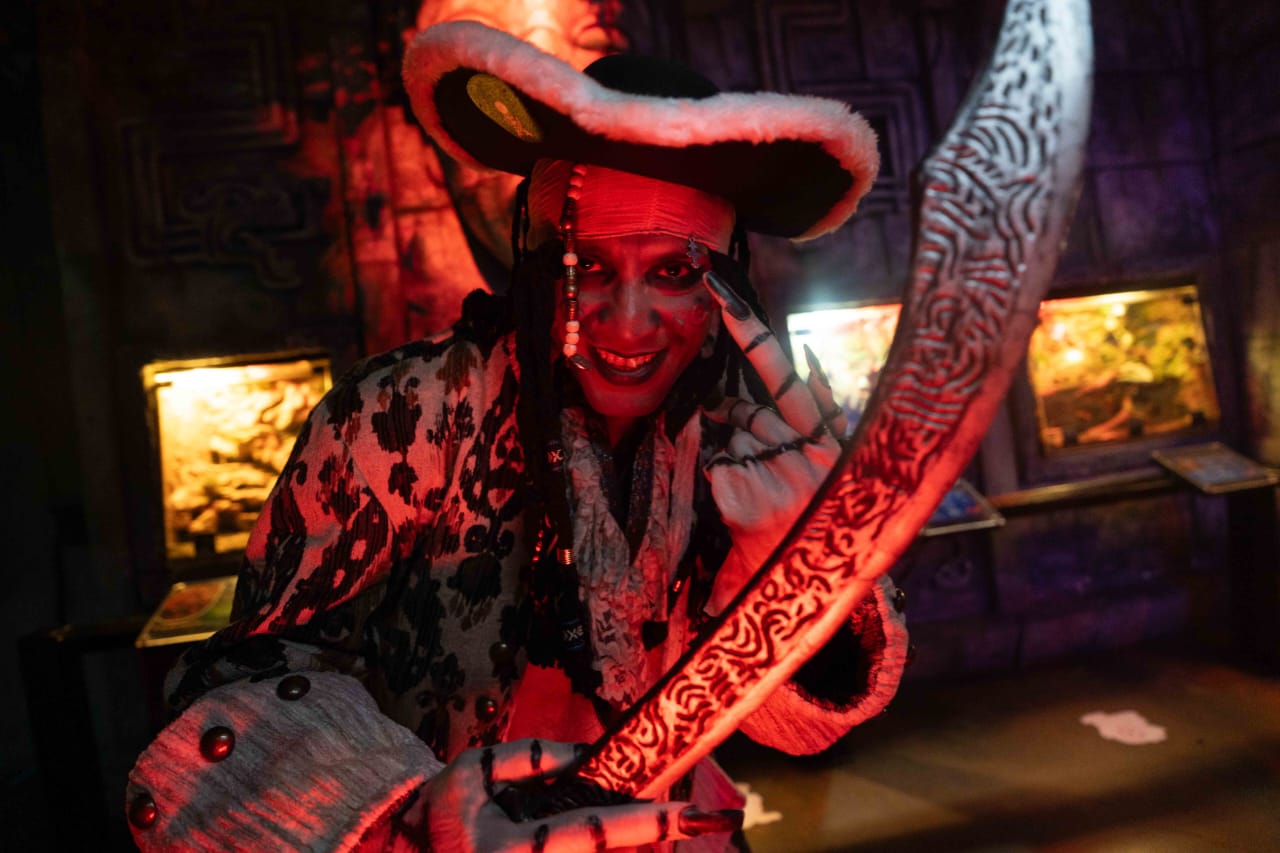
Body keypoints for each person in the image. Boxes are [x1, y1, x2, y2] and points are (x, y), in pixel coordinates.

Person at [125, 21, 909, 852]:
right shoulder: (405, 414)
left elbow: (783, 718)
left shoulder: (735, 432)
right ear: (534, 264)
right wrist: (404, 816)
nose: (628, 322)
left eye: (676, 272)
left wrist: (808, 570)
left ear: (728, 282)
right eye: (586, 268)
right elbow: (248, 675)